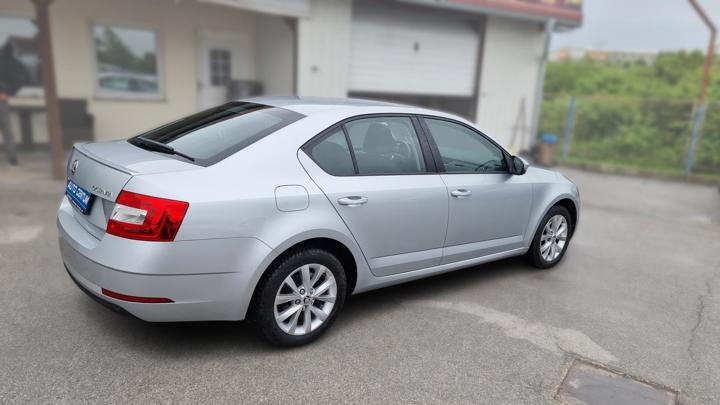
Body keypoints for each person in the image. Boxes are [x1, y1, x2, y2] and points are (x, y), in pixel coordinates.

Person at [0, 42, 31, 166]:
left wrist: (7, 92)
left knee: (7, 130)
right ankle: (12, 158)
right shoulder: (13, 63)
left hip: (2, 98)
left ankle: (12, 158)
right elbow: (22, 79)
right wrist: (8, 92)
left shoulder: (8, 63)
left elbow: (22, 79)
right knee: (7, 130)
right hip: (2, 98)